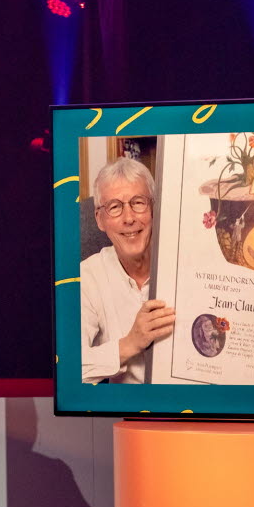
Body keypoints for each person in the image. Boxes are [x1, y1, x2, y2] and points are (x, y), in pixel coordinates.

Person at [80, 157, 175, 383]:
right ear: (99, 219)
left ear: (154, 208)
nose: (129, 218)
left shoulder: (186, 265)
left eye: (139, 202)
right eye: (114, 207)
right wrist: (130, 343)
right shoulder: (87, 276)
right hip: (133, 412)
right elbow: (69, 368)